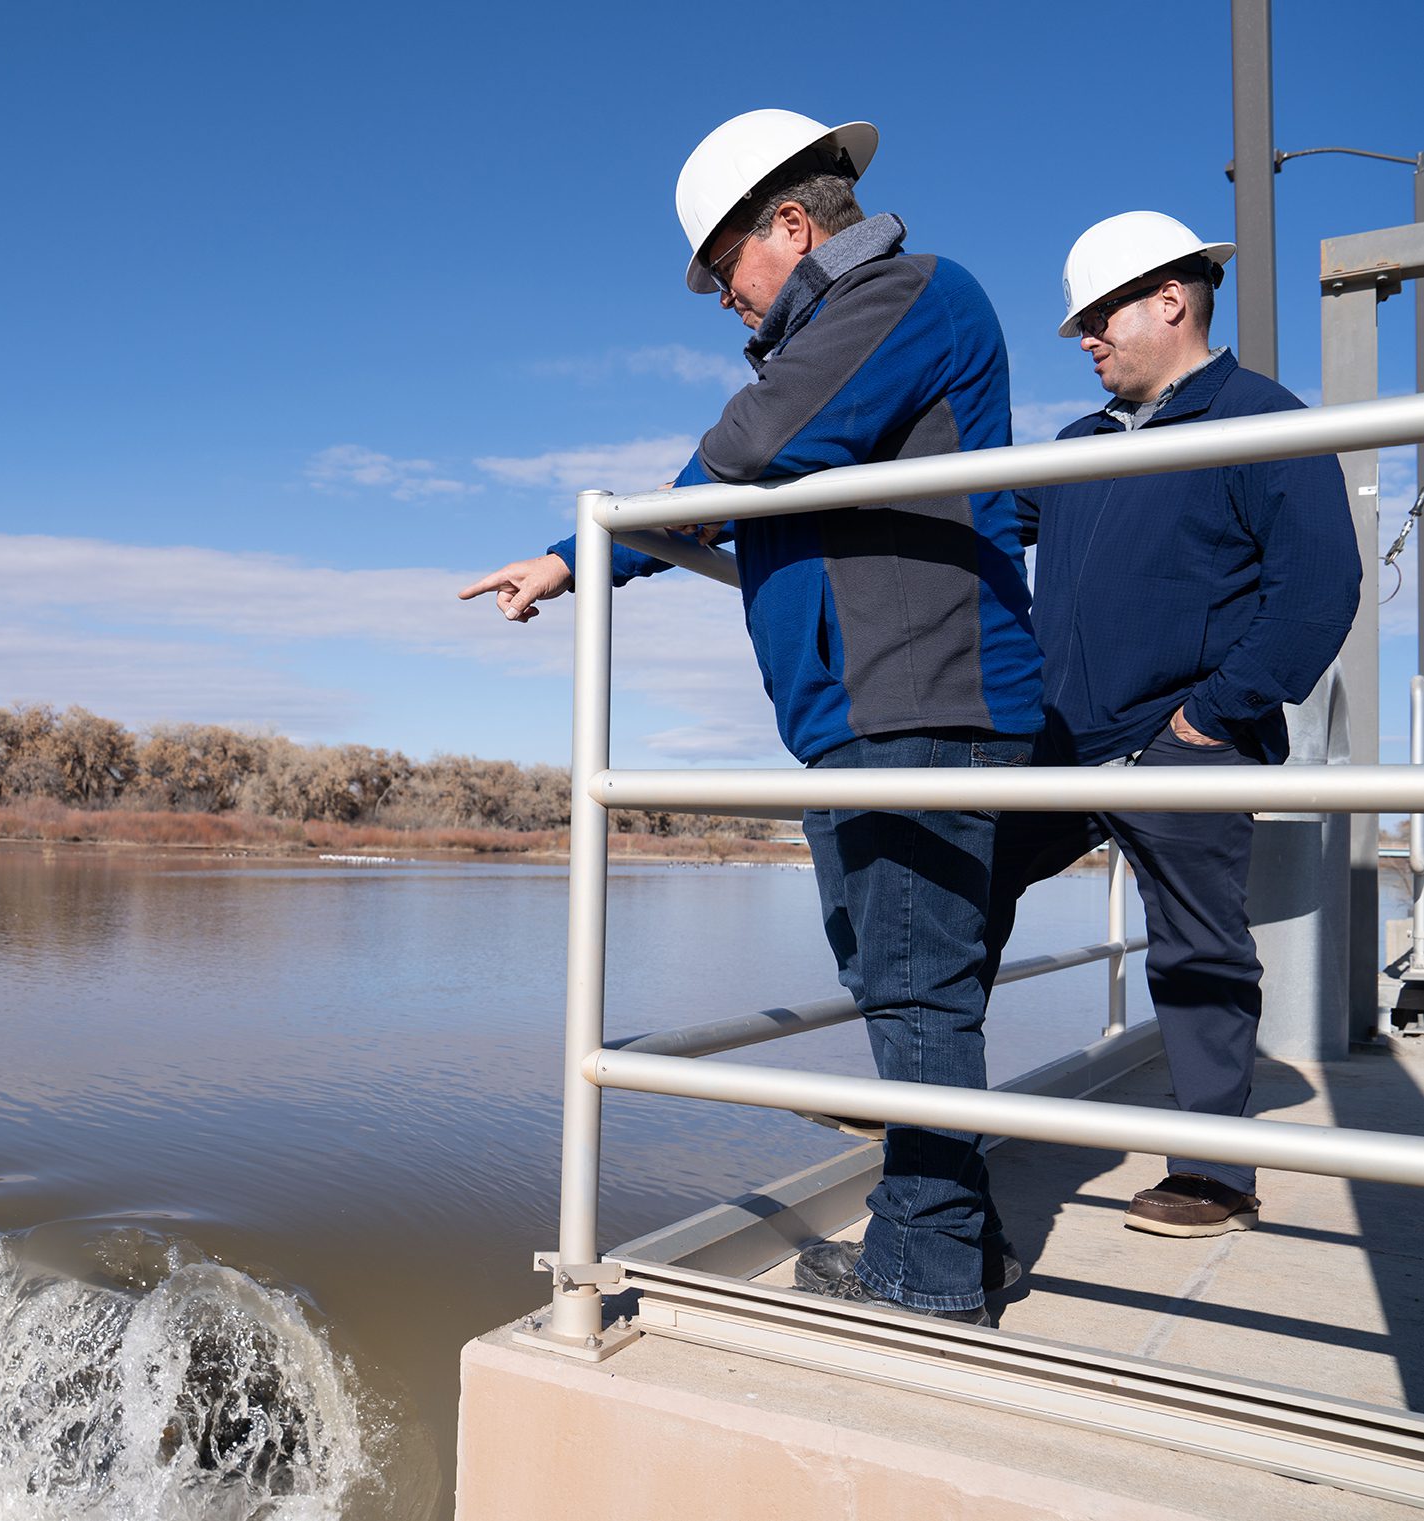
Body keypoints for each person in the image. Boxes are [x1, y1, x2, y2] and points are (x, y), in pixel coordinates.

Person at [460, 109, 1043, 1325]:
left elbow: (746, 449)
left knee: (915, 986)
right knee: (905, 982)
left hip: (919, 701)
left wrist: (597, 545)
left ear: (790, 224)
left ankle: (928, 1274)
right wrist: (579, 561)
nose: (720, 299)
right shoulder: (847, 330)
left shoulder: (902, 295)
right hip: (872, 709)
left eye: (722, 267)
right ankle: (943, 1233)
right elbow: (735, 484)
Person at [983, 211, 1361, 1237]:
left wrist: (1212, 715)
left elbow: (1319, 590)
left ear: (1169, 298)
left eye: (1098, 316)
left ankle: (1212, 1176)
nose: (1084, 339)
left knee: (1197, 951)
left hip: (1179, 737)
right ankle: (915, 1087)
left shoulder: (1260, 420)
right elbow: (972, 520)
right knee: (957, 875)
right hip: (1062, 743)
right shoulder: (1076, 447)